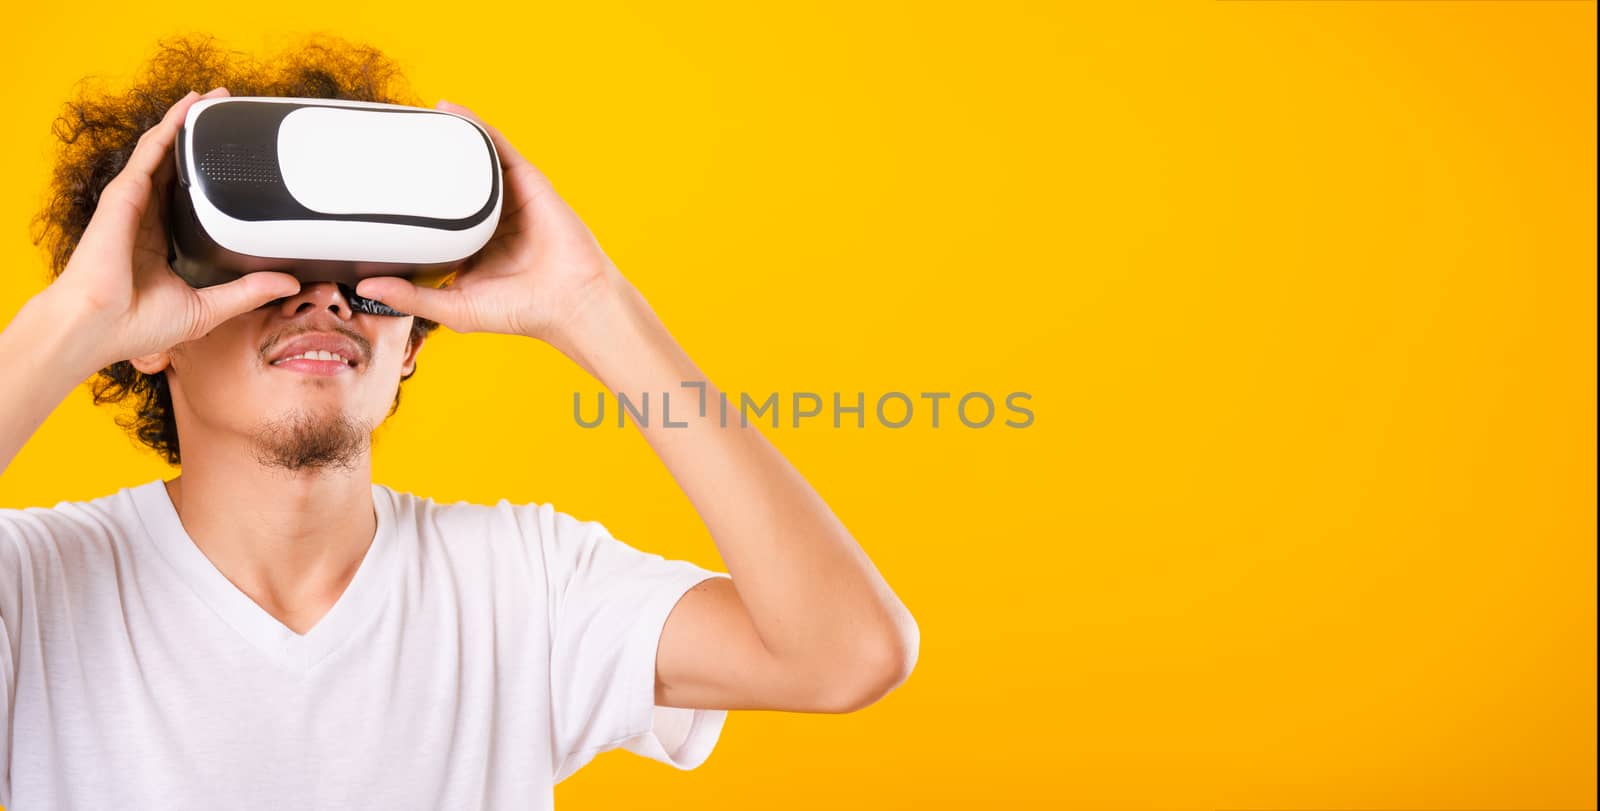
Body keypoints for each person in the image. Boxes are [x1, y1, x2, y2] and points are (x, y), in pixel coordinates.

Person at [0, 39, 918, 810]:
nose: (324, 296)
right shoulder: (34, 589)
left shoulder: (523, 587)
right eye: (271, 260)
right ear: (155, 328)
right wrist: (73, 320)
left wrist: (595, 305)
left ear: (411, 343)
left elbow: (848, 653)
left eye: (368, 269)